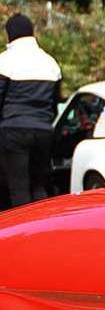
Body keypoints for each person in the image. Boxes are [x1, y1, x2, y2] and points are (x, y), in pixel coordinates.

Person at [0, 14, 62, 205]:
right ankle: (41, 230)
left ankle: (22, 233)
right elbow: (55, 102)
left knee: (18, 187)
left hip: (13, 130)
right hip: (43, 131)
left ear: (10, 34)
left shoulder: (5, 61)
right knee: (39, 186)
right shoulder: (50, 62)